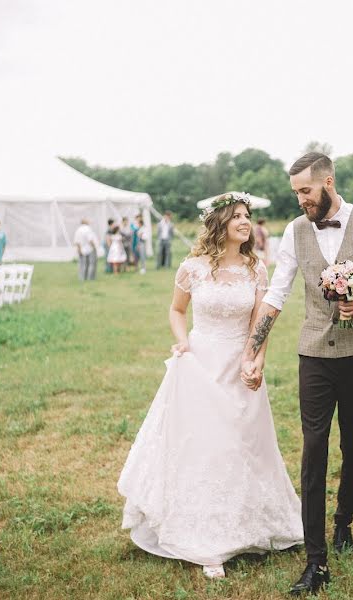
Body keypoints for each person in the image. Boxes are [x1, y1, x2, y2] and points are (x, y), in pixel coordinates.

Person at [240, 152, 353, 595]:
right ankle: (315, 559)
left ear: (328, 182)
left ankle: (344, 522)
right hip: (314, 351)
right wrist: (253, 350)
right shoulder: (295, 233)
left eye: (306, 191)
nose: (300, 199)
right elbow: (277, 293)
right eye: (295, 192)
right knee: (314, 446)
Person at [117, 192, 303, 580]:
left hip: (240, 362)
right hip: (199, 365)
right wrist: (182, 340)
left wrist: (257, 358)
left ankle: (250, 525)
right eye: (237, 216)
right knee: (204, 446)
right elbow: (176, 309)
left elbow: (260, 320)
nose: (245, 221)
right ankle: (207, 541)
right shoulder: (193, 267)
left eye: (247, 216)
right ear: (219, 222)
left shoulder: (257, 269)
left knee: (244, 443)